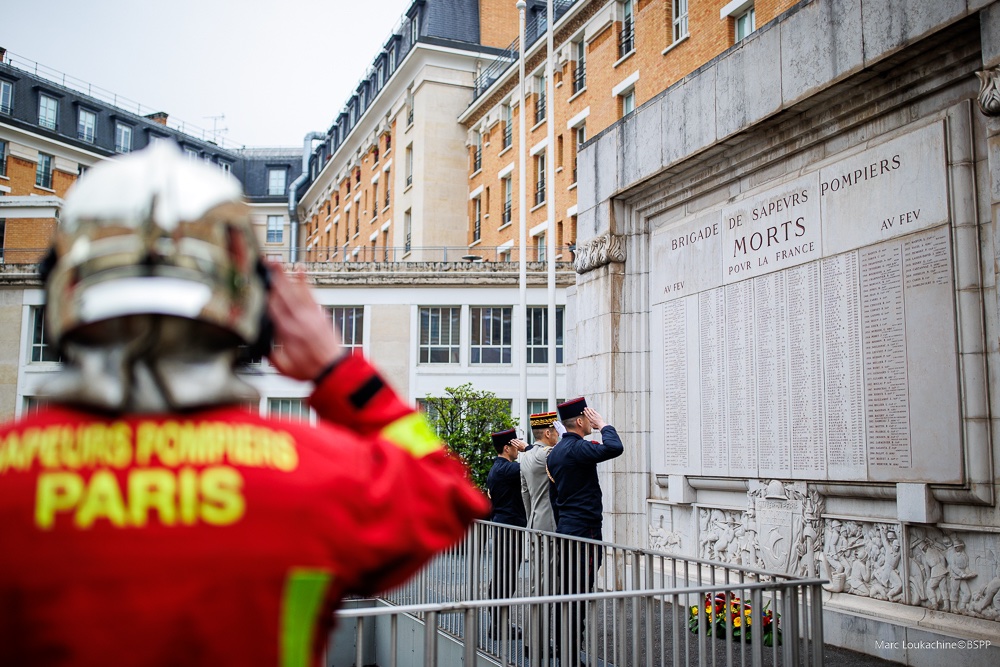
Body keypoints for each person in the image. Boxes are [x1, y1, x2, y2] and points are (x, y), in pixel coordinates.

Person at [0, 144, 489, 666]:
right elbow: (448, 494)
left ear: (61, 289)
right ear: (252, 307)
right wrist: (336, 369)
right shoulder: (316, 475)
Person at [545, 397, 624, 657]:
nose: (591, 422)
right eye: (588, 419)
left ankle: (560, 646)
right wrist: (604, 425)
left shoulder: (555, 452)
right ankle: (570, 652)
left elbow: (555, 499)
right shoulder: (578, 448)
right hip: (584, 532)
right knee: (578, 592)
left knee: (566, 590)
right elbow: (614, 448)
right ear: (580, 421)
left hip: (566, 528)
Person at [485, 427, 528, 638]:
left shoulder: (498, 468)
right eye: (515, 444)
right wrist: (528, 449)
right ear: (506, 447)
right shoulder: (506, 469)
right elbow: (531, 466)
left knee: (502, 575)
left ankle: (498, 624)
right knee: (506, 577)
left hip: (505, 526)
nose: (518, 448)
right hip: (509, 528)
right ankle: (499, 626)